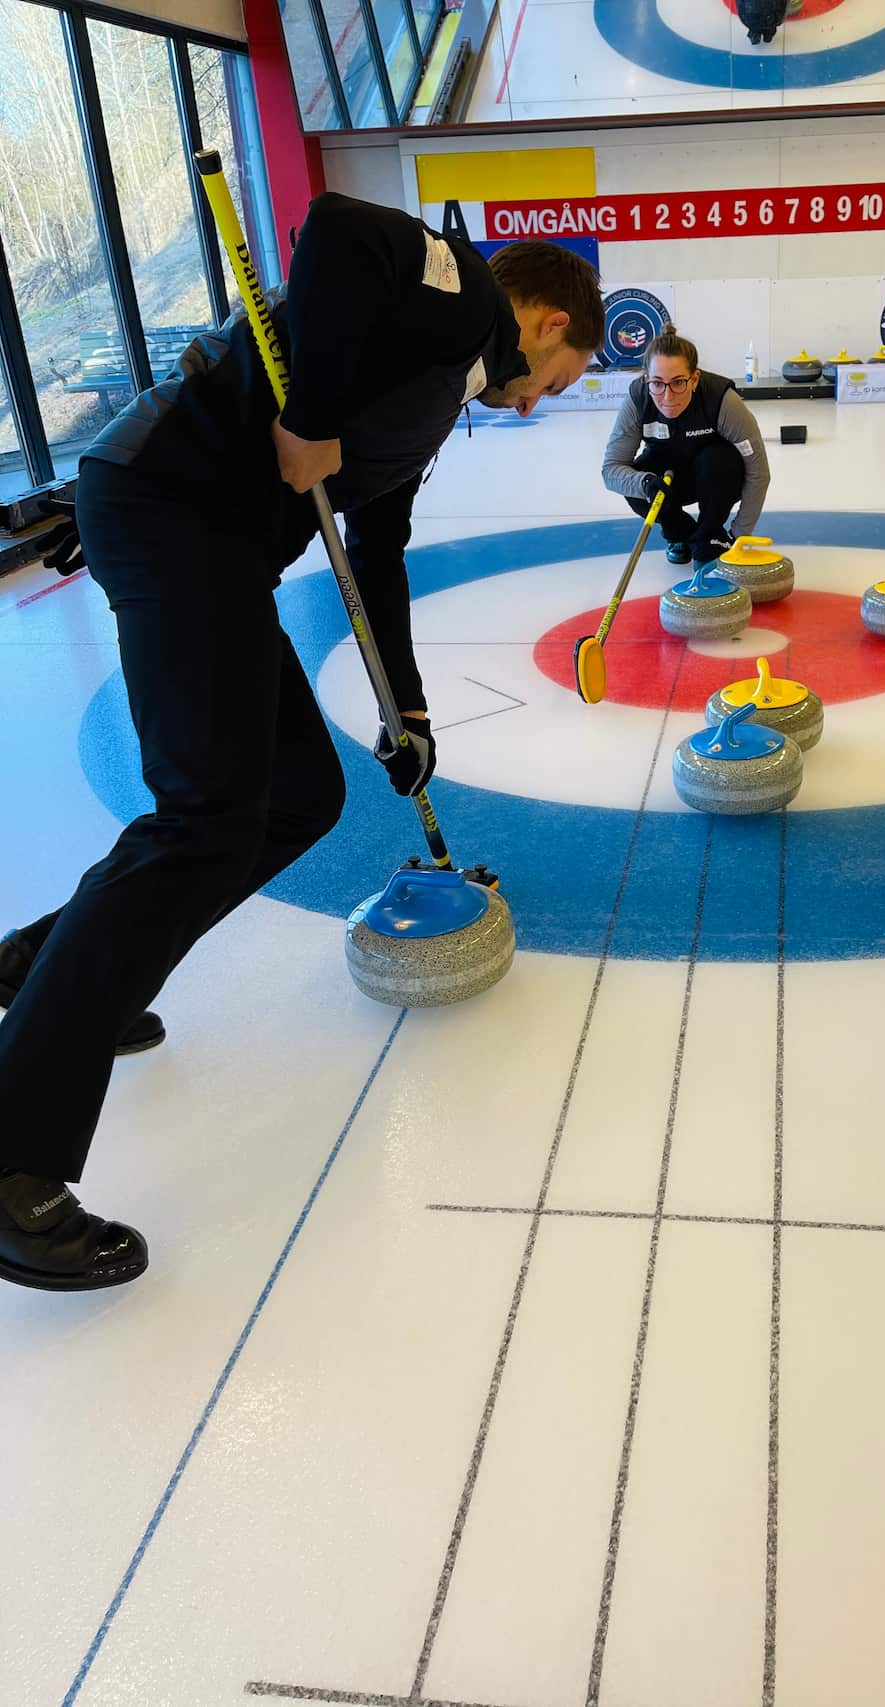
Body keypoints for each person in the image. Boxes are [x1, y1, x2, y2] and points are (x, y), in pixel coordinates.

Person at [0, 191, 604, 1293]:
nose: (535, 404)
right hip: (173, 513)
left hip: (211, 539)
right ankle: (13, 1161)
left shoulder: (438, 389)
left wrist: (407, 711)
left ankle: (43, 965)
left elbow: (376, 548)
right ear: (551, 323)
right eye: (556, 384)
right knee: (205, 819)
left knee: (296, 797)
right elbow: (336, 232)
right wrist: (310, 415)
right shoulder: (459, 291)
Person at [601, 324, 769, 570]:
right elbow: (611, 469)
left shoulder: (722, 400)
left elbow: (758, 472)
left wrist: (737, 535)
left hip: (715, 477)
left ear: (695, 379)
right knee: (636, 483)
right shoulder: (638, 399)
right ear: (646, 379)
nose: (668, 397)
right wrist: (645, 483)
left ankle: (712, 535)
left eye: (678, 382)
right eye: (658, 383)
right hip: (669, 482)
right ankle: (682, 534)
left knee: (719, 460)